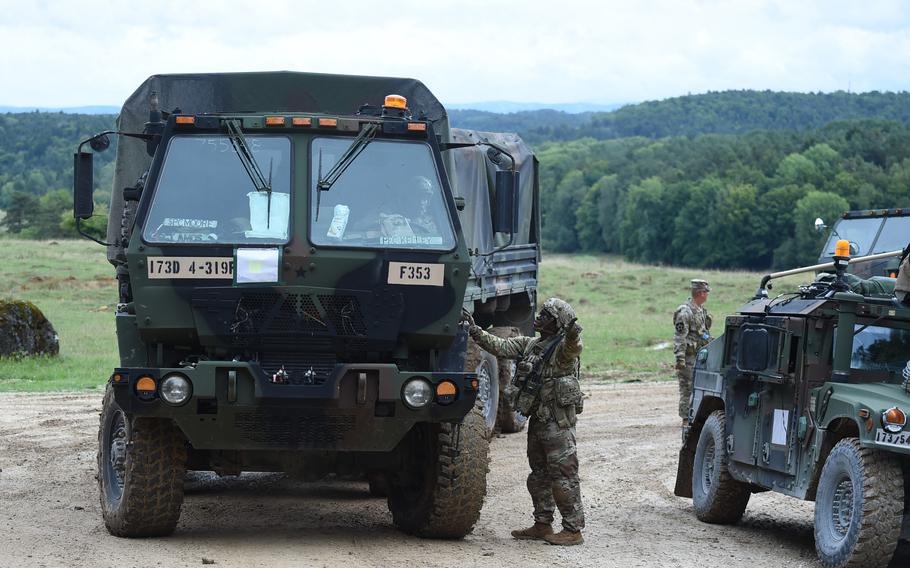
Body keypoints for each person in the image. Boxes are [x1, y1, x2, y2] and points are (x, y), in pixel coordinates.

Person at [460, 298, 585, 546]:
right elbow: (500, 346)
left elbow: (574, 345)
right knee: (538, 476)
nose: (538, 317)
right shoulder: (531, 345)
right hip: (539, 421)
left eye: (546, 315)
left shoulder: (562, 351)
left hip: (557, 424)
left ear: (557, 323)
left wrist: (572, 330)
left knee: (563, 475)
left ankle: (573, 530)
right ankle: (542, 523)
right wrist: (475, 330)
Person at [674, 279, 713, 423]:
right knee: (687, 388)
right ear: (701, 293)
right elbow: (680, 337)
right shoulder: (685, 312)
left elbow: (703, 333)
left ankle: (694, 415)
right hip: (688, 358)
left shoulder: (700, 310)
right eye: (706, 292)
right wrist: (680, 359)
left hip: (699, 356)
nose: (707, 295)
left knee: (699, 387)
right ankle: (686, 419)